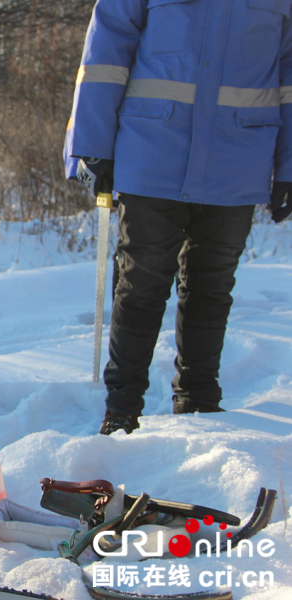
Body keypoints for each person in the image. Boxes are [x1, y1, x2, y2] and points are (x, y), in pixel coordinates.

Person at [64, 1, 292, 435]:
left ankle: (199, 404)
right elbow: (105, 54)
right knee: (141, 287)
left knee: (212, 287)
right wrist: (94, 145)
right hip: (152, 152)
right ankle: (122, 411)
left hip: (237, 159)